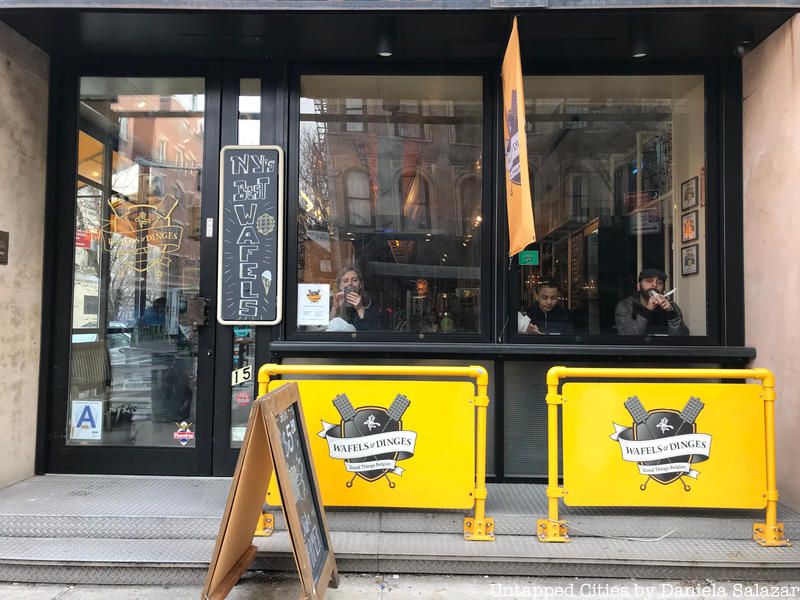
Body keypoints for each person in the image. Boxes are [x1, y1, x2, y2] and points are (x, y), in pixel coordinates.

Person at [615, 268, 689, 336]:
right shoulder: (625, 306)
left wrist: (671, 313)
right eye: (649, 281)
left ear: (663, 289)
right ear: (639, 286)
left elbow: (683, 338)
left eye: (659, 283)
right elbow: (627, 337)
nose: (654, 285)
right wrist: (647, 311)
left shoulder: (672, 307)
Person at [330, 266, 380, 331]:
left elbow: (372, 331)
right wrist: (335, 308)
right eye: (345, 281)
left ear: (360, 285)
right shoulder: (332, 301)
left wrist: (360, 308)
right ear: (340, 286)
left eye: (355, 280)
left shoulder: (369, 302)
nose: (350, 283)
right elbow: (323, 328)